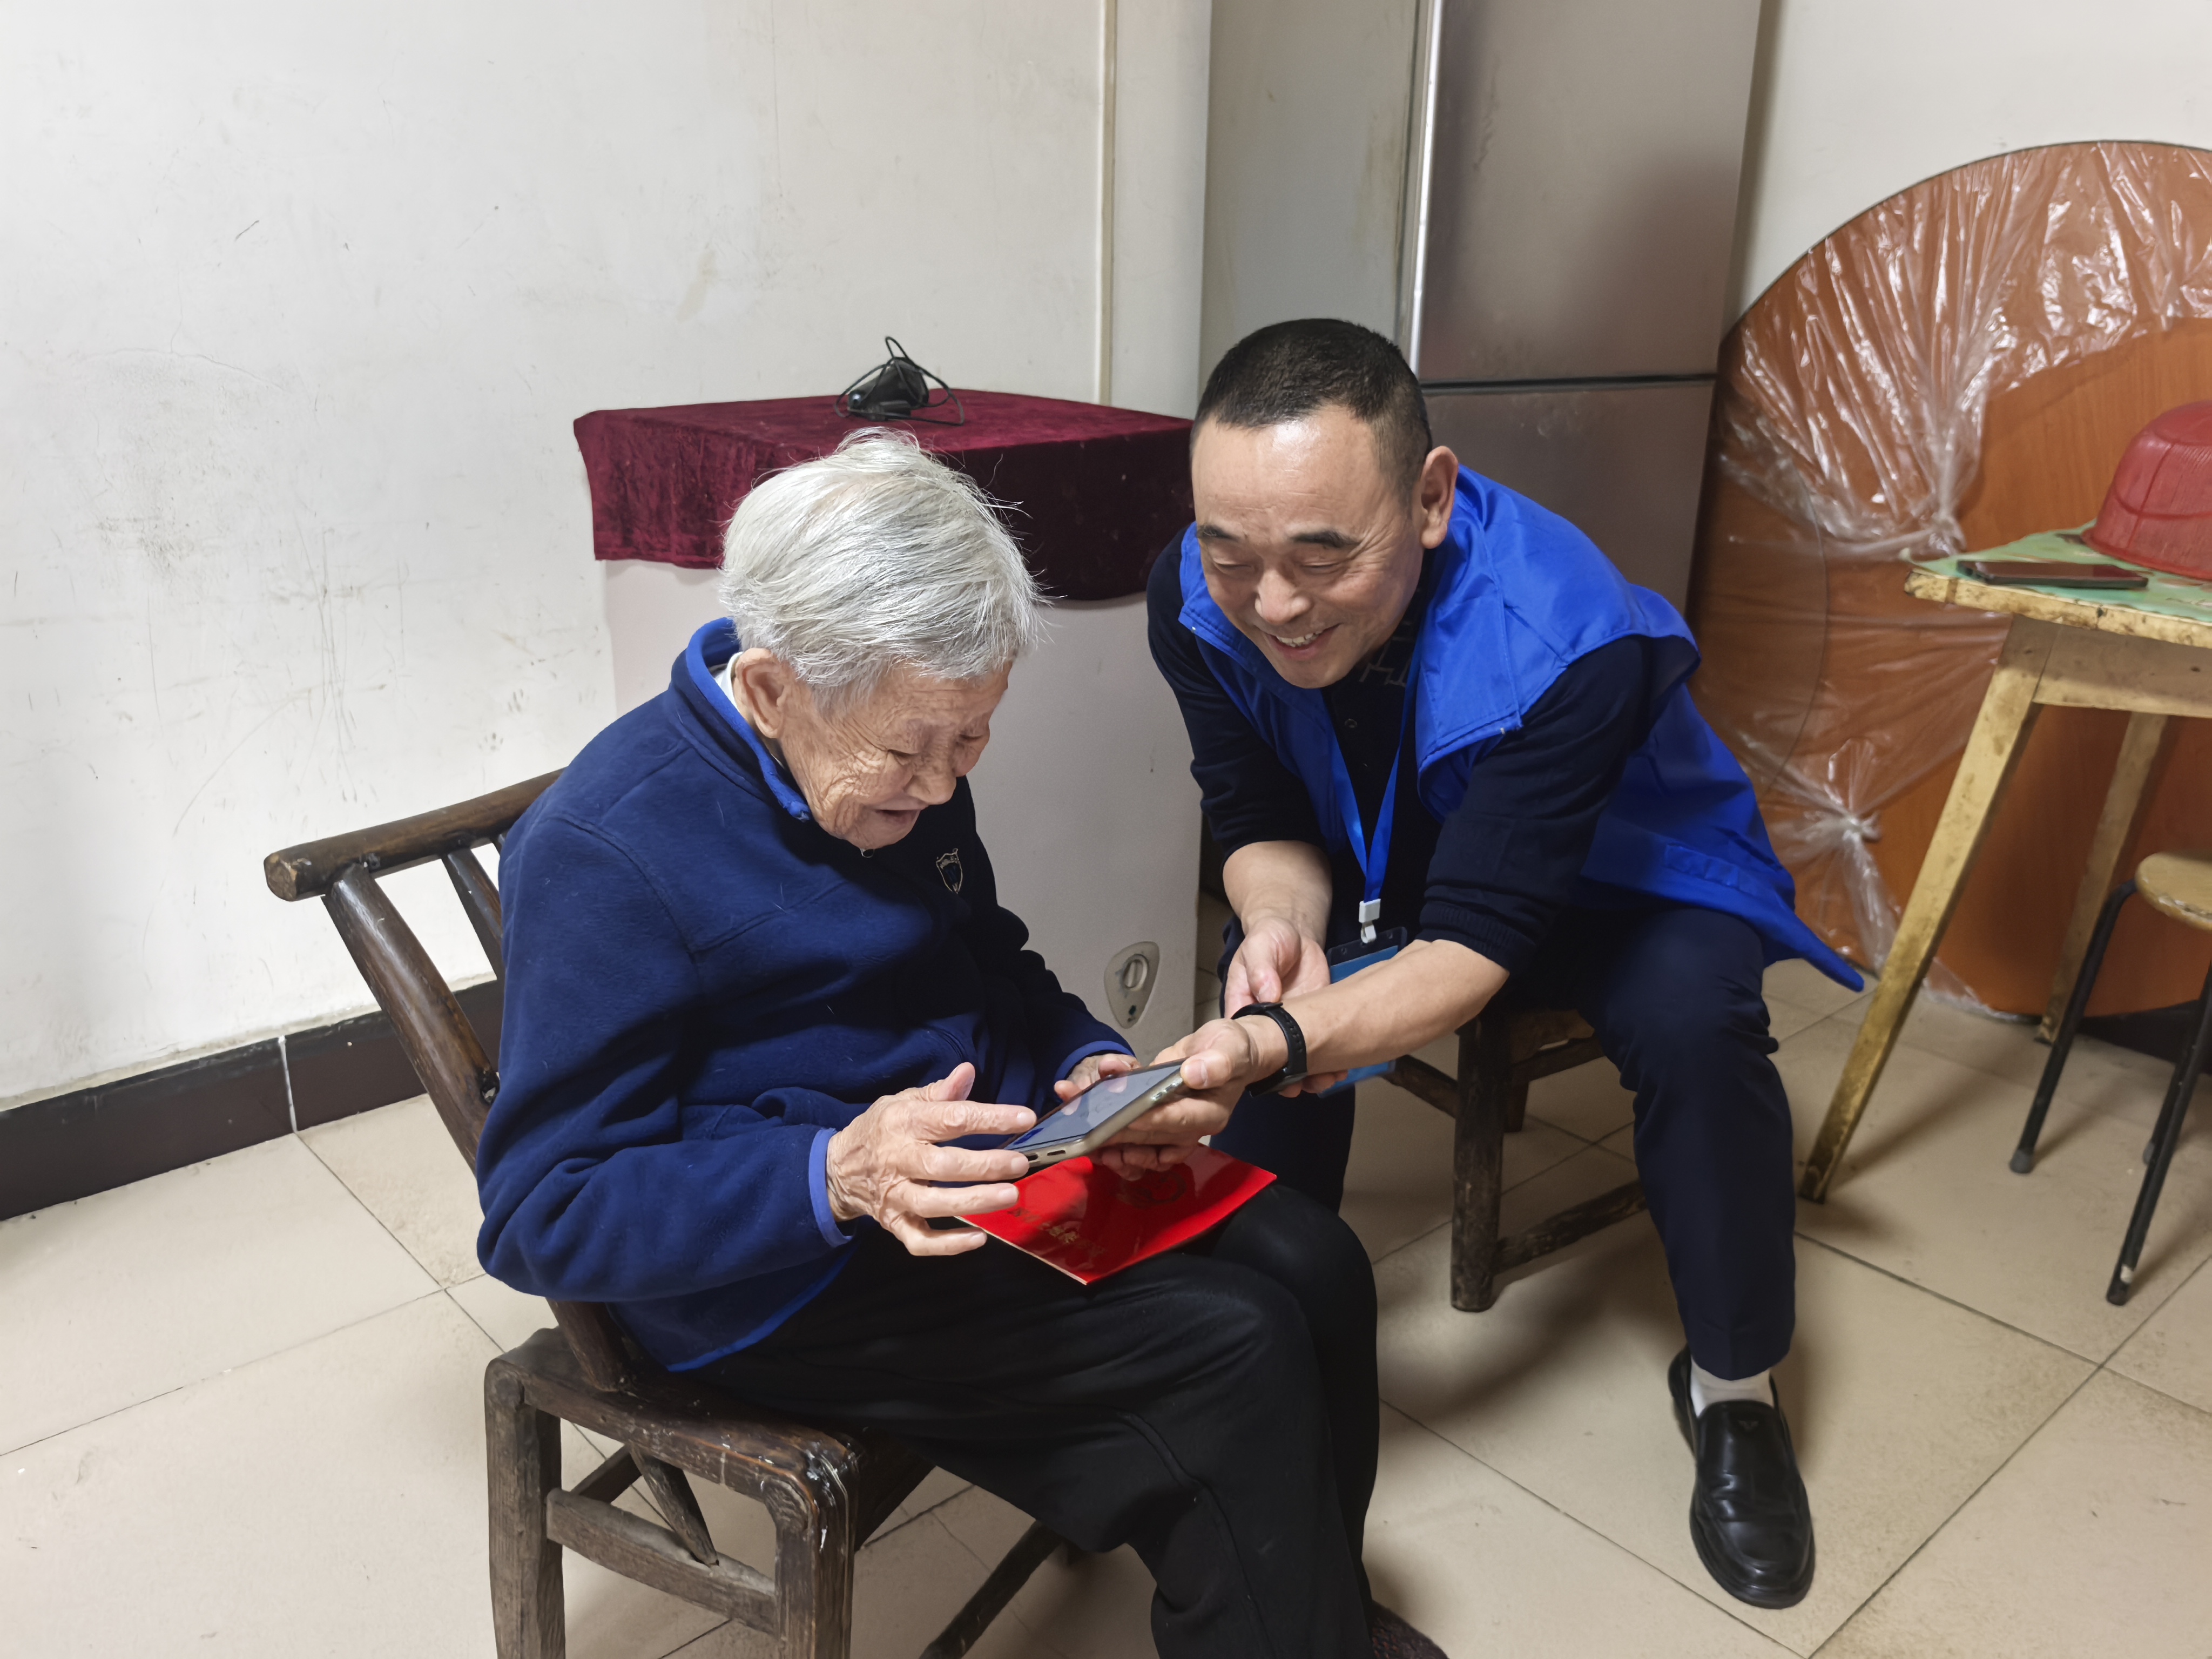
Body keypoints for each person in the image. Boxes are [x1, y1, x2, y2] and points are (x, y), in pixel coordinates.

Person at [474, 431, 1443, 1659]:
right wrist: (834, 1173)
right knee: (1230, 1355)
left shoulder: (899, 749)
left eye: (971, 740)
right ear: (769, 689)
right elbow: (540, 1212)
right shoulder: (605, 852)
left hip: (974, 1165)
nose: (940, 788)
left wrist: (1087, 1068)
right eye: (906, 752)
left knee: (1317, 1261)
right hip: (784, 1266)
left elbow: (987, 959)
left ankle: (1310, 1618)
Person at [1150, 320, 1863, 1612]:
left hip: (1615, 873)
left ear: (1429, 499)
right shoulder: (1193, 599)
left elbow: (1478, 940)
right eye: (1230, 552)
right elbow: (1256, 812)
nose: (1273, 605)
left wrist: (1283, 1041)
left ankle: (1734, 1386)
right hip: (1395, 858)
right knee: (1267, 985)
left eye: (1322, 553)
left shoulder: (1566, 630)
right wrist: (1276, 927)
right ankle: (1249, 1352)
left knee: (1696, 1023)